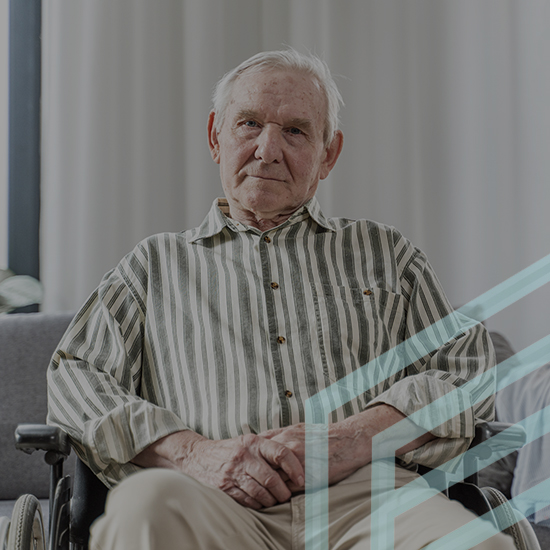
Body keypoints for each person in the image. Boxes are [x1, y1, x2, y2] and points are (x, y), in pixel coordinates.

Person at [47, 49, 515, 549]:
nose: (268, 150)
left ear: (328, 153)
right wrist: (194, 454)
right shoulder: (152, 265)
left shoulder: (386, 253)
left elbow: (468, 368)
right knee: (142, 510)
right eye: (249, 123)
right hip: (206, 498)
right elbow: (76, 375)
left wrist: (352, 441)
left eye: (295, 131)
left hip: (370, 499)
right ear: (215, 137)